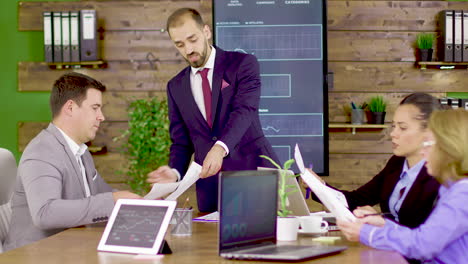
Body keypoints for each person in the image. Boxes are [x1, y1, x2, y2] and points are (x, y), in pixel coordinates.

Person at [146, 8, 279, 213]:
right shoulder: (175, 86)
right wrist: (174, 172)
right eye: (179, 44)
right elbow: (181, 142)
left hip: (255, 175)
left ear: (206, 31)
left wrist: (219, 148)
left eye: (192, 39)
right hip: (210, 189)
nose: (188, 49)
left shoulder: (243, 64)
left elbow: (245, 110)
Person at [4, 73, 140, 251]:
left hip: (70, 249)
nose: (101, 116)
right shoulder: (42, 151)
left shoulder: (81, 152)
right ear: (70, 108)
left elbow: (104, 194)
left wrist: (144, 203)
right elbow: (45, 213)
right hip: (34, 255)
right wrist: (112, 201)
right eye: (95, 108)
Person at [338, 109, 468, 263]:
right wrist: (384, 225)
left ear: (448, 148)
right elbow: (423, 237)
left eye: (428, 144)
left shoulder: (462, 194)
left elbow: (422, 246)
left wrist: (366, 233)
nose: (423, 152)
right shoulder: (451, 189)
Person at [311, 93, 441, 229]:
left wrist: (383, 224)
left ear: (429, 132)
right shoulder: (396, 163)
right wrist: (319, 186)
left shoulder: (443, 175)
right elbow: (356, 200)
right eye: (393, 126)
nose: (393, 134)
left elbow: (430, 236)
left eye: (402, 128)